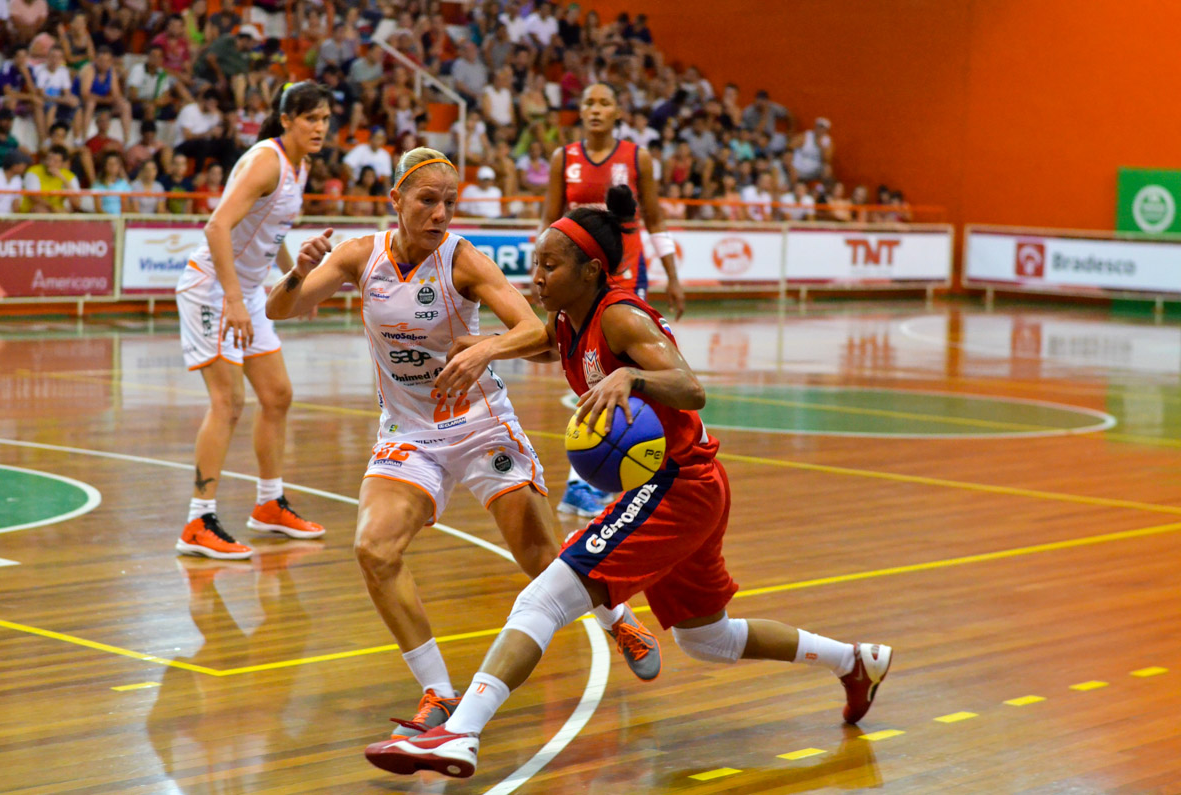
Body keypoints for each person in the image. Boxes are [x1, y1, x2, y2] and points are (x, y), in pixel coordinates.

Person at [364, 187, 895, 779]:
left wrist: (633, 380)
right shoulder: (571, 316)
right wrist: (491, 347)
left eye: (549, 265)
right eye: (535, 263)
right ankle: (854, 661)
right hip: (695, 485)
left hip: (679, 483)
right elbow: (545, 342)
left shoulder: (621, 315)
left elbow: (692, 389)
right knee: (707, 639)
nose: (534, 276)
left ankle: (459, 735)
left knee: (543, 597)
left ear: (591, 269)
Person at [265, 147, 664, 746]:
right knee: (373, 550)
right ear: (395, 200)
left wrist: (481, 349)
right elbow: (281, 309)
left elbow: (536, 328)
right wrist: (298, 270)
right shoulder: (359, 257)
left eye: (450, 202)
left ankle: (619, 618)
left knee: (540, 558)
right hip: (409, 435)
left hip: (480, 426)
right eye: (428, 200)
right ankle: (438, 693)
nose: (441, 214)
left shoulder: (464, 260)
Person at [172, 81, 334, 561]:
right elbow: (216, 225)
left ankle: (268, 505)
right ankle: (198, 520)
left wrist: (294, 282)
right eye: (311, 119)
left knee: (278, 396)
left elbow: (273, 232)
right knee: (228, 401)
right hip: (214, 290)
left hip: (248, 292)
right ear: (287, 120)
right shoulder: (267, 160)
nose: (320, 128)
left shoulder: (298, 165)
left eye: (325, 119)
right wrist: (236, 299)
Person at [540, 81, 684, 518]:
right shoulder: (562, 158)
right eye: (589, 102)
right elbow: (548, 222)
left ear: (617, 109)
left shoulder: (638, 157)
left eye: (605, 101)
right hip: (580, 285)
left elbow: (655, 219)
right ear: (580, 110)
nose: (596, 109)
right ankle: (587, 480)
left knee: (625, 375)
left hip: (624, 280)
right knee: (592, 375)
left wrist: (672, 274)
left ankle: (613, 475)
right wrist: (543, 274)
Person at [0, 149, 30, 214]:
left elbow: (16, 205)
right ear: (15, 166)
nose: (25, 167)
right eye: (23, 164)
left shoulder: (17, 179)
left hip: (6, 221)